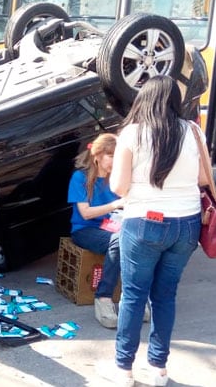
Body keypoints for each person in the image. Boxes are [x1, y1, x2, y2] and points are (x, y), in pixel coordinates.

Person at [98, 75, 207, 387]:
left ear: (143, 99)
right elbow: (201, 178)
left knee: (133, 295)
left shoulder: (132, 133)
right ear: (175, 100)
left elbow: (119, 186)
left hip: (145, 222)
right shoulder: (193, 131)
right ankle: (158, 369)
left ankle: (123, 370)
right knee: (165, 295)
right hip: (186, 225)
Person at [66, 133, 125, 329]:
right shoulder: (80, 177)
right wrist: (115, 204)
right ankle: (104, 297)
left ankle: (133, 297)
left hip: (113, 226)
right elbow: (86, 213)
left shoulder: (116, 178)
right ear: (97, 155)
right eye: (111, 157)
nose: (115, 162)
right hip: (86, 230)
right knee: (119, 241)